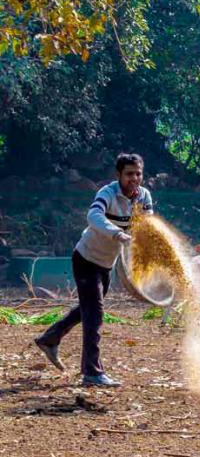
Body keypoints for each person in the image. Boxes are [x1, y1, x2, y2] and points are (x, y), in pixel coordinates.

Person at [34, 153, 154, 387]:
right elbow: (93, 215)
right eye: (129, 174)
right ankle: (92, 372)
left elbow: (147, 224)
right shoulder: (107, 193)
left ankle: (50, 338)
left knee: (87, 309)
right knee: (95, 314)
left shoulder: (145, 196)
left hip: (107, 264)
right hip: (86, 259)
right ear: (118, 174)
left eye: (138, 173)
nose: (134, 178)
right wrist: (116, 233)